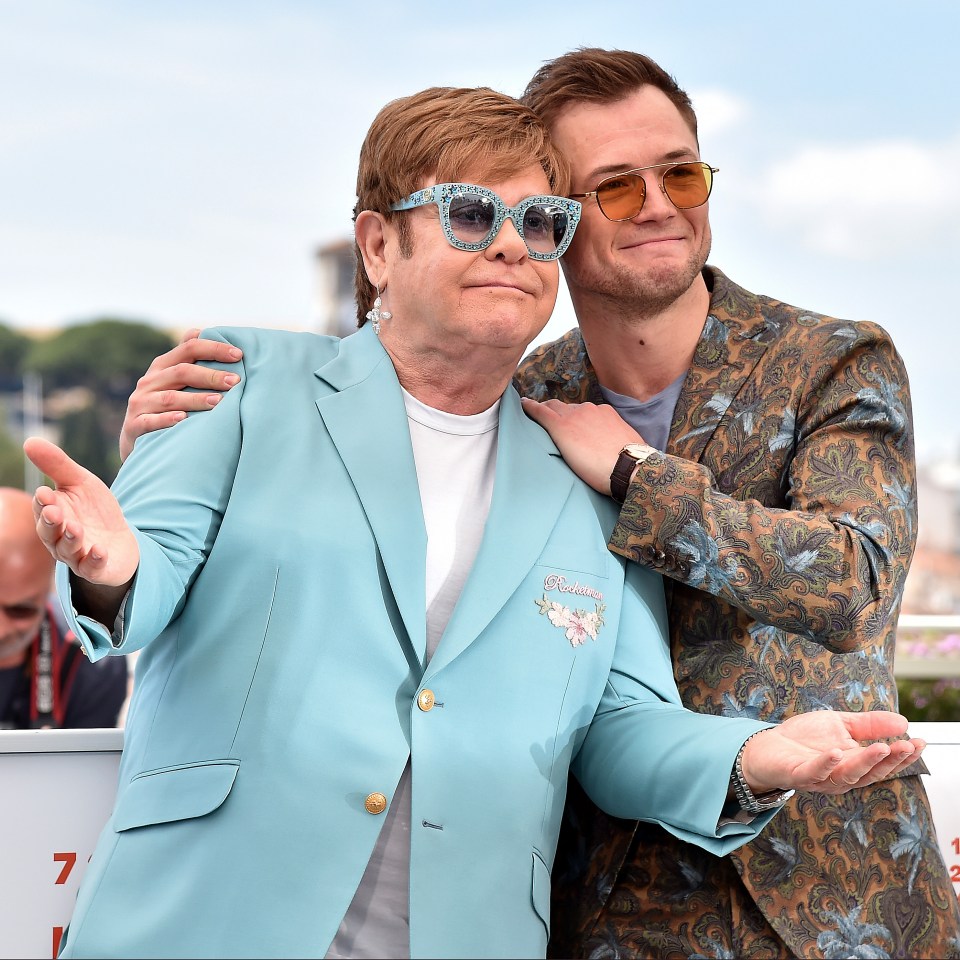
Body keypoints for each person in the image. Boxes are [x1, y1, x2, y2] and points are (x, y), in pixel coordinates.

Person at [22, 86, 920, 960]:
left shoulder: (587, 478)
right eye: (468, 214)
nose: (511, 246)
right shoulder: (239, 380)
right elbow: (141, 583)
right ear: (377, 245)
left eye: (539, 224)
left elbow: (621, 727)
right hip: (209, 916)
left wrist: (757, 754)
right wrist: (109, 564)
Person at [0, 486, 127, 729]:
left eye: (21, 611)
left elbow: (80, 765)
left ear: (48, 589)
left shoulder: (90, 659)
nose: (1, 630)